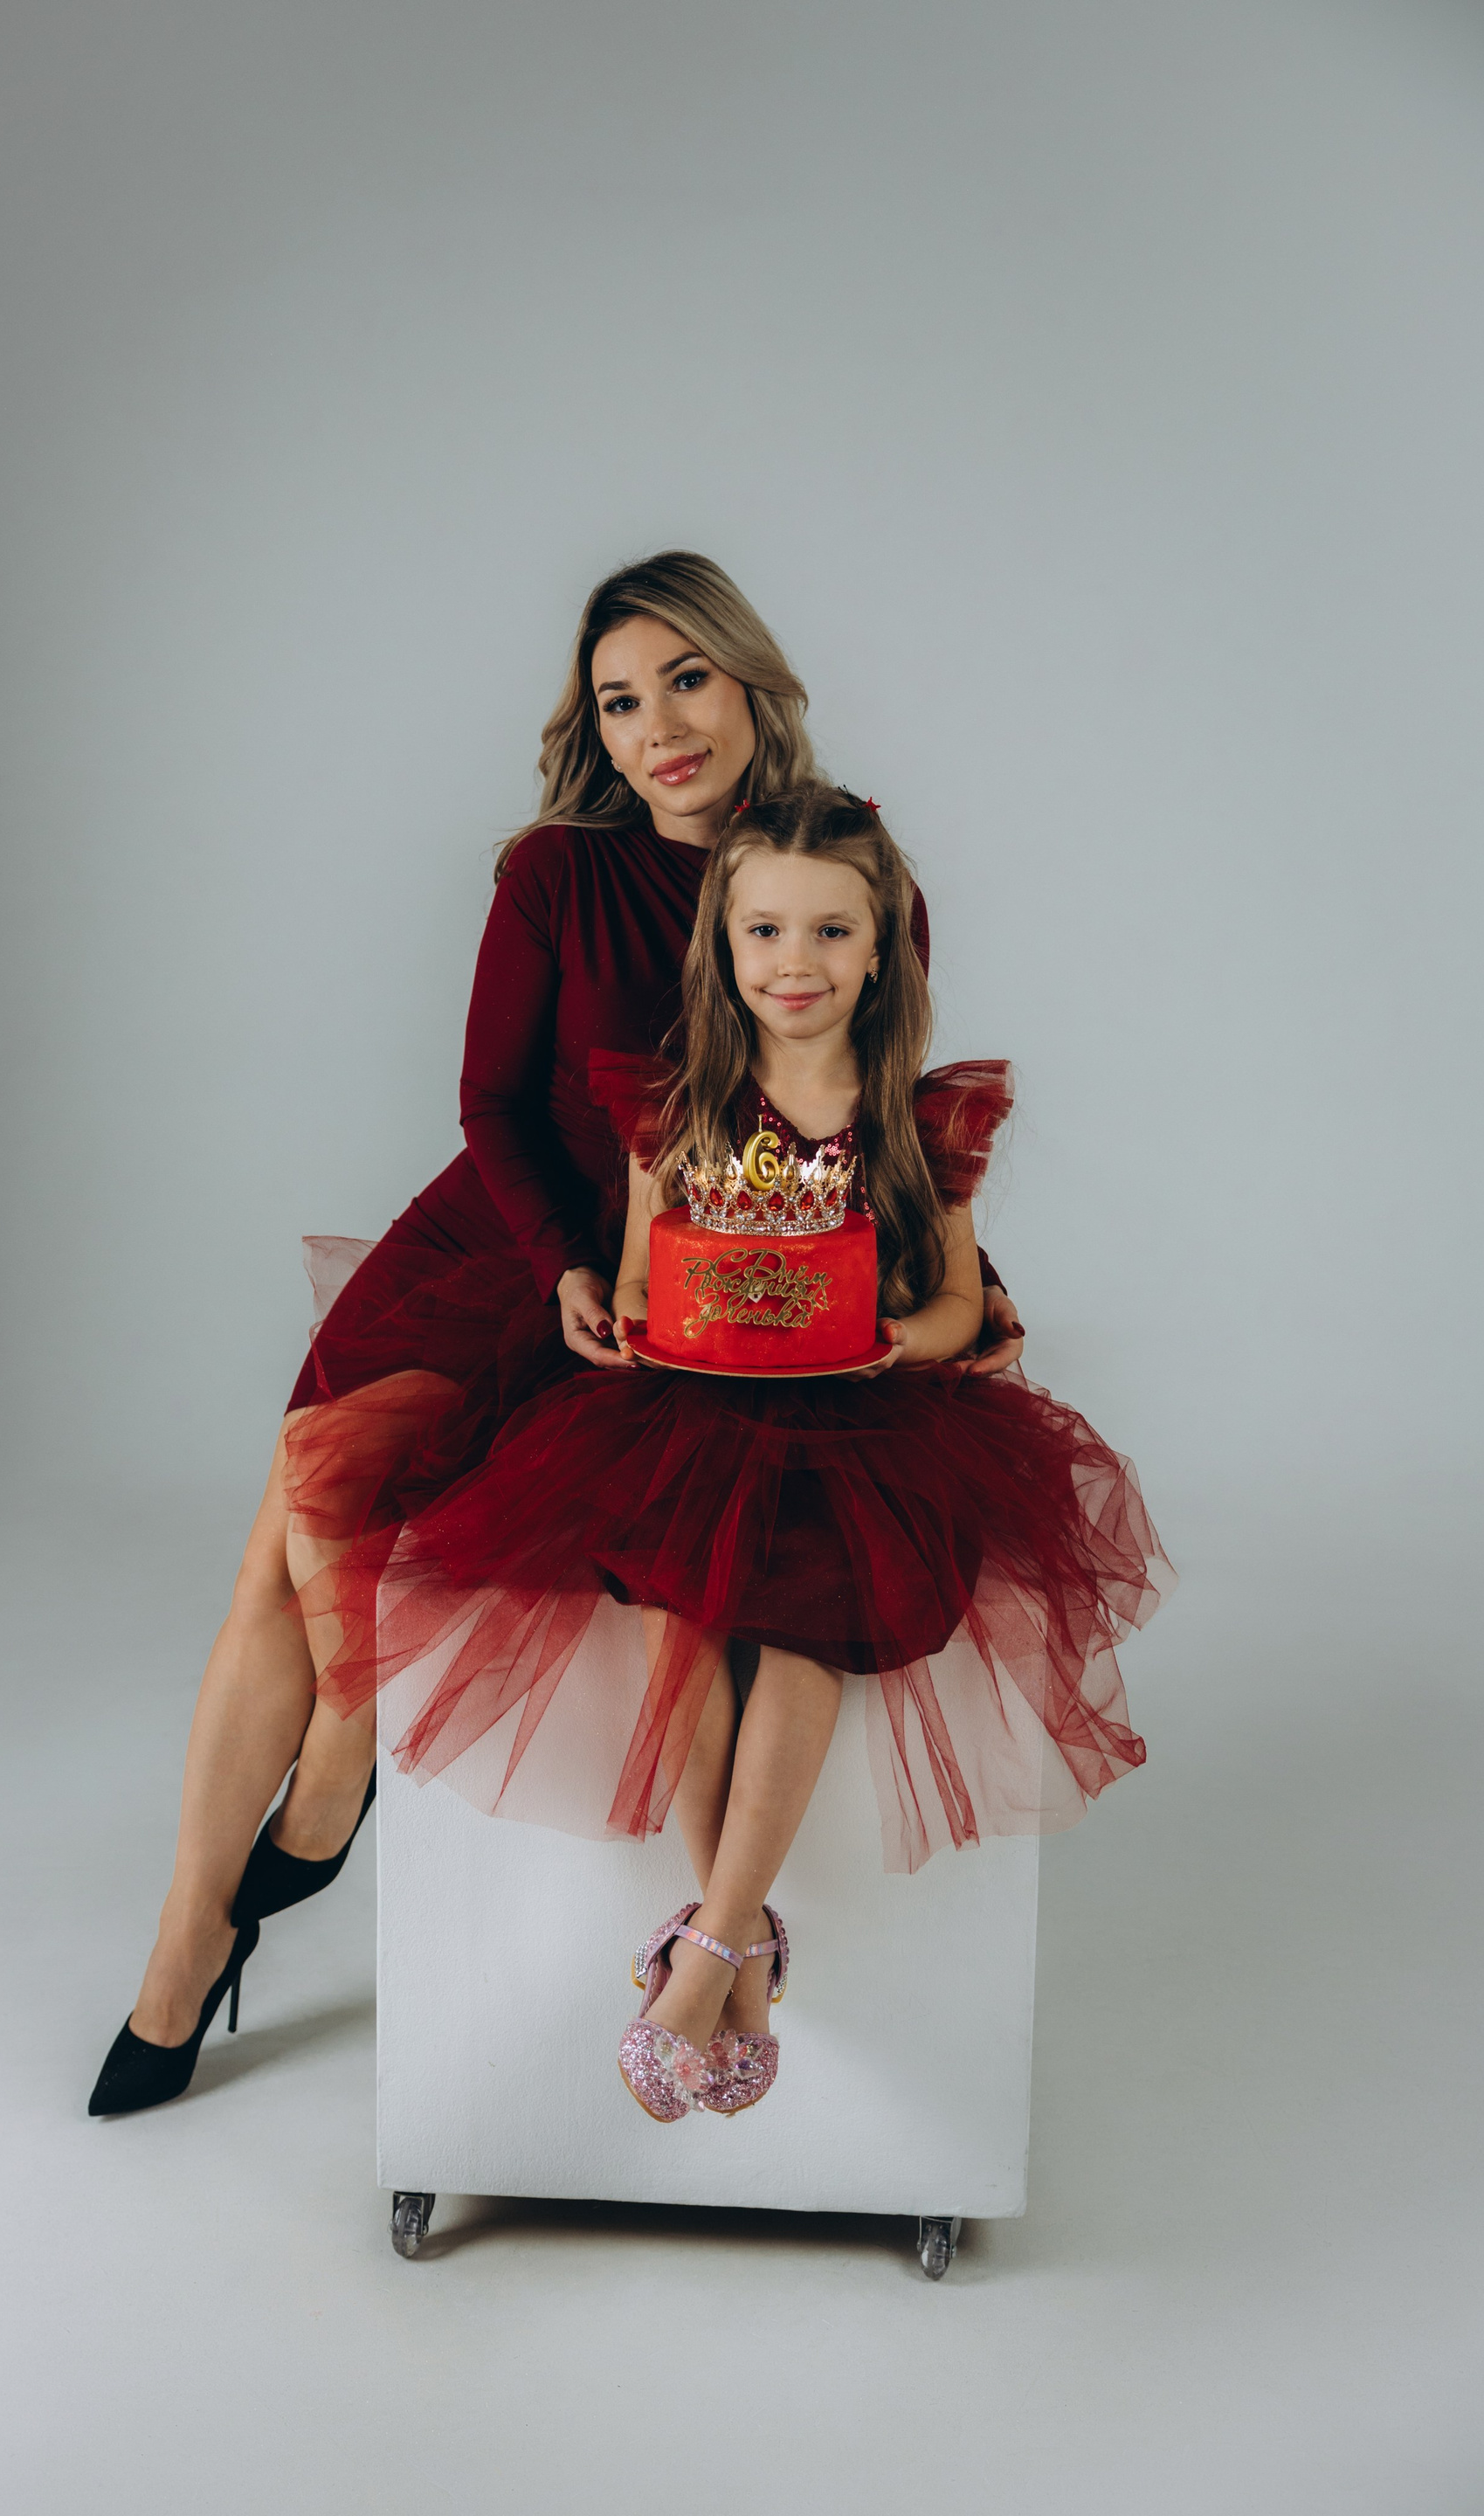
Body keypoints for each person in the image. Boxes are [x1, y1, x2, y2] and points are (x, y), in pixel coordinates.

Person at [88, 562, 1024, 2118]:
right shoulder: (557, 872)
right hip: (518, 1236)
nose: (659, 728)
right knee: (297, 1509)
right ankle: (214, 1916)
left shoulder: (850, 873)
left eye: (687, 680)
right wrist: (566, 1271)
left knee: (412, 1530)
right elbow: (493, 1102)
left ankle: (321, 1810)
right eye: (620, 700)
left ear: (752, 681)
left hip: (712, 1270)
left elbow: (870, 1117)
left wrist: (964, 1291)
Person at [343, 785, 1170, 2120]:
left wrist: (893, 1339)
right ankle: (735, 1952)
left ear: (883, 950)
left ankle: (713, 1945)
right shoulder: (677, 1106)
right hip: (694, 1411)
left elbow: (958, 1303)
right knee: (681, 1609)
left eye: (833, 932)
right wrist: (632, 1320)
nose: (797, 963)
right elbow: (640, 1274)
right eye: (766, 931)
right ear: (722, 946)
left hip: (864, 1423)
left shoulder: (917, 1119)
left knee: (809, 1624)